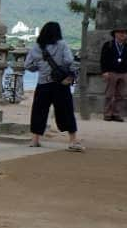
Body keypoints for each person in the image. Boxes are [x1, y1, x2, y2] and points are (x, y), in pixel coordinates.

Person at [25, 21, 83, 151]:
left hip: (43, 84)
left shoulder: (36, 47)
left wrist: (40, 67)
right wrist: (68, 74)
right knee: (66, 111)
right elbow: (69, 61)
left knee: (39, 111)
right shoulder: (62, 45)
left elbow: (28, 65)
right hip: (60, 84)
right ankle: (73, 140)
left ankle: (35, 140)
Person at [100, 26, 127, 122]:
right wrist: (104, 71)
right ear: (115, 34)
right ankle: (107, 113)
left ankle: (117, 114)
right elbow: (103, 59)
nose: (123, 34)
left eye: (125, 33)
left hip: (125, 73)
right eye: (121, 32)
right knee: (109, 94)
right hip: (112, 72)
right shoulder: (108, 45)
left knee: (121, 95)